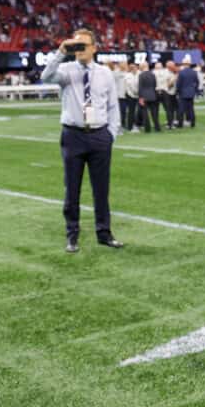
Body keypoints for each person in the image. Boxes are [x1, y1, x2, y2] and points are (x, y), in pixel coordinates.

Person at [40, 28, 123, 253]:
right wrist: (60, 52)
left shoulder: (105, 73)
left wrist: (111, 135)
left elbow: (113, 106)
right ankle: (72, 235)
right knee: (72, 189)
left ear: (94, 48)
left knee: (101, 189)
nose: (78, 50)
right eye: (75, 46)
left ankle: (104, 233)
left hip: (99, 136)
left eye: (82, 45)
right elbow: (44, 76)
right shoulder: (65, 69)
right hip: (73, 135)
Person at [175, 55, 199, 128]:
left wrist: (178, 91)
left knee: (181, 109)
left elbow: (179, 83)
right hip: (191, 93)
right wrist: (194, 90)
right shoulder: (194, 72)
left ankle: (180, 123)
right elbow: (197, 82)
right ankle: (192, 123)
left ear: (183, 64)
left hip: (183, 93)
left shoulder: (181, 72)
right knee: (191, 109)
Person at [137, 62, 161, 133]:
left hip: (144, 96)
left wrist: (140, 97)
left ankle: (147, 128)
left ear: (142, 66)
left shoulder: (141, 75)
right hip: (152, 95)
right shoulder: (153, 74)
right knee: (154, 113)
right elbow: (155, 85)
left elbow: (140, 87)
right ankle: (157, 127)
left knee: (145, 113)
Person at [123, 63, 140, 132]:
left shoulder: (140, 74)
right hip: (130, 95)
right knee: (131, 111)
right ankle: (130, 126)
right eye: (132, 68)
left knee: (139, 111)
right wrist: (134, 92)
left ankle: (138, 125)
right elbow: (129, 86)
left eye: (135, 67)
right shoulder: (127, 76)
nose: (133, 69)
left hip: (139, 95)